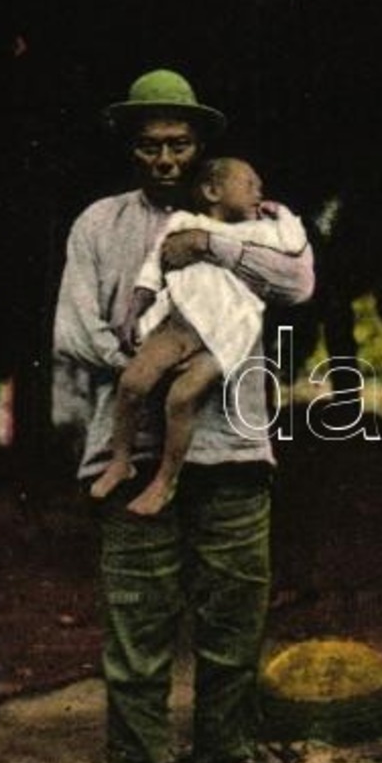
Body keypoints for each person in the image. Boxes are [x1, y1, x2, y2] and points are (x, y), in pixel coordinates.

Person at [53, 69, 315, 763]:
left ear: (201, 148)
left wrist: (209, 248)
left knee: (232, 621)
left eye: (179, 144)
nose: (166, 159)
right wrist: (149, 360)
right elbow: (76, 331)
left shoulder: (251, 220)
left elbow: (296, 283)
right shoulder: (100, 224)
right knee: (137, 625)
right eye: (150, 146)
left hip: (231, 445)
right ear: (129, 149)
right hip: (132, 446)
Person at [89, 157, 308, 517]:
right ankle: (120, 461)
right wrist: (134, 311)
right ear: (212, 191)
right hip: (179, 324)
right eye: (250, 184)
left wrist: (280, 211)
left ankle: (165, 481)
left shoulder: (261, 232)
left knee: (182, 397)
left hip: (225, 334)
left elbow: (295, 242)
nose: (260, 192)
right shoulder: (182, 223)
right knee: (132, 382)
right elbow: (153, 267)